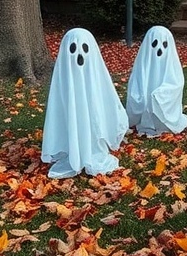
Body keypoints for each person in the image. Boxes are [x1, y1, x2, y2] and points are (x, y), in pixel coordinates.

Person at [41, 28, 128, 178]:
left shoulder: (97, 77)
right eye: (73, 49)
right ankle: (73, 150)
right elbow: (59, 112)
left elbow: (106, 102)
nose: (79, 55)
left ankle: (91, 149)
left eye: (85, 49)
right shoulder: (62, 79)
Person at [126, 26, 187, 137]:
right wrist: (142, 98)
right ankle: (147, 120)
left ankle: (161, 123)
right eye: (155, 44)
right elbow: (136, 85)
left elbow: (176, 83)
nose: (160, 49)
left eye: (164, 45)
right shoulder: (142, 64)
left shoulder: (172, 64)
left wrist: (161, 94)